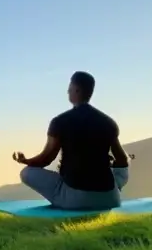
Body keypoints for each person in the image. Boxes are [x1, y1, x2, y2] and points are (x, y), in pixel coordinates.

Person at [12, 71, 131, 210]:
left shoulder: (60, 122)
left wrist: (25, 161)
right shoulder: (108, 122)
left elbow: (46, 159)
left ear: (76, 89)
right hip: (111, 199)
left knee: (26, 173)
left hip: (76, 199)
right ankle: (110, 192)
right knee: (122, 166)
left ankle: (68, 198)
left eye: (70, 87)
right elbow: (122, 160)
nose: (67, 91)